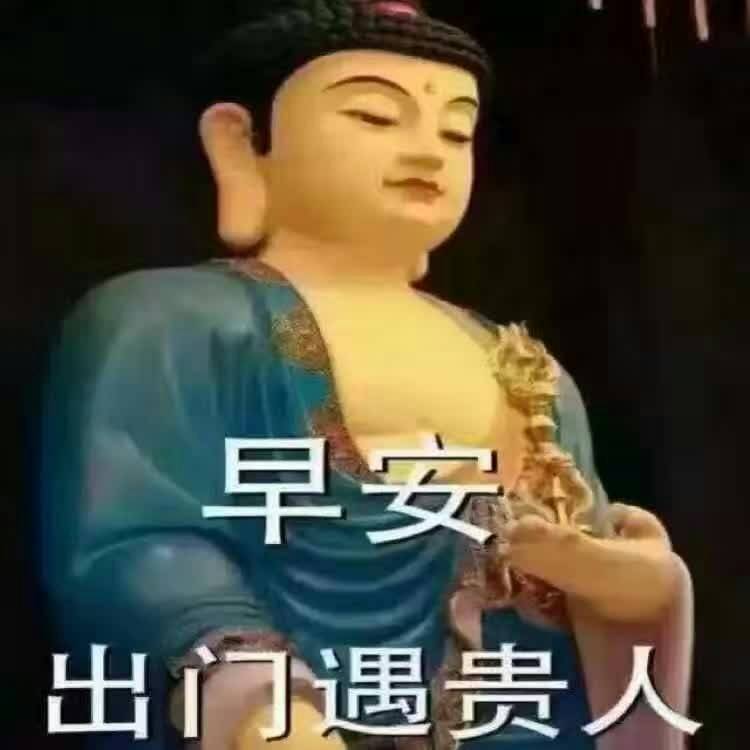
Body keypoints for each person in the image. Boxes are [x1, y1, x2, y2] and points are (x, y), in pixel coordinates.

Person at [37, 2, 694, 749]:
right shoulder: (170, 322)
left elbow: (572, 563)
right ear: (242, 144)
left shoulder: (522, 362)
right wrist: (261, 706)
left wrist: (630, 590)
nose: (427, 152)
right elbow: (134, 550)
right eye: (375, 117)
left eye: (456, 131)